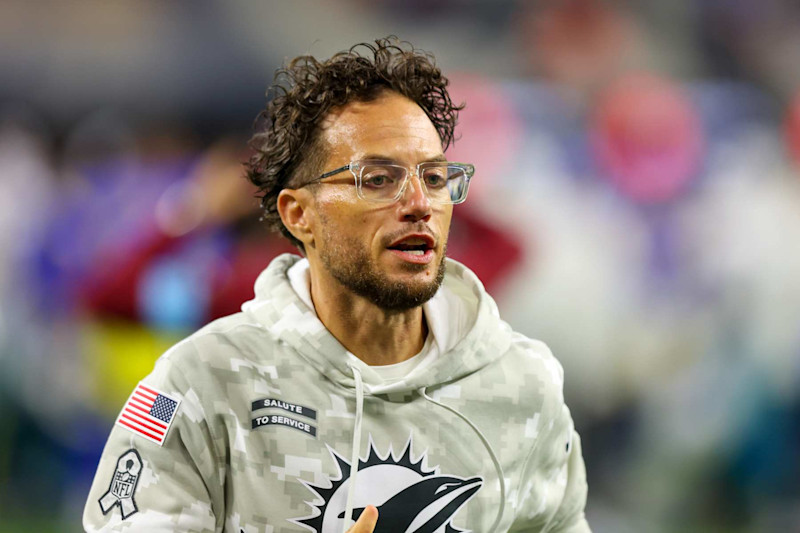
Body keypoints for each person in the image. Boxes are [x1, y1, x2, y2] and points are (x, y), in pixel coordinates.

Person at [83, 37, 590, 533]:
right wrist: (193, 208)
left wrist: (410, 169)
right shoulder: (196, 379)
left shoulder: (525, 385)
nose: (419, 203)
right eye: (376, 178)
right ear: (297, 214)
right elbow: (106, 297)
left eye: (435, 178)